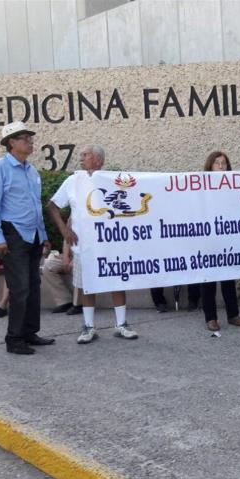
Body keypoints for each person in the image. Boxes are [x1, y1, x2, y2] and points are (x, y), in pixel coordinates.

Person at [47, 144, 138, 344]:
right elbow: (52, 206)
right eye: (81, 155)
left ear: (98, 160)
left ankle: (121, 324)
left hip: (111, 243)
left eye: (85, 155)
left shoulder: (113, 181)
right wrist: (65, 230)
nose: (81, 158)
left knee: (117, 282)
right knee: (87, 286)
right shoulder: (73, 181)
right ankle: (88, 327)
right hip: (84, 245)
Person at [0, 121, 55, 354]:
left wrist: (43, 236)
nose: (31, 142)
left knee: (33, 285)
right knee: (20, 287)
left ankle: (29, 332)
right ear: (12, 142)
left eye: (30, 138)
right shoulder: (0, 167)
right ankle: (14, 339)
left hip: (33, 234)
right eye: (25, 138)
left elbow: (36, 206)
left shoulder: (32, 171)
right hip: (12, 234)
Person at [198, 151, 240, 331]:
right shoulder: (200, 187)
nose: (221, 167)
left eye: (224, 163)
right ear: (209, 167)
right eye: (217, 163)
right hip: (207, 237)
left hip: (227, 236)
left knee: (229, 278)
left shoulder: (233, 187)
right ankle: (210, 318)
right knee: (208, 280)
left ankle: (233, 314)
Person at [41, 217, 83, 314]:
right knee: (48, 266)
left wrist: (74, 260)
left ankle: (78, 304)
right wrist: (65, 258)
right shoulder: (73, 215)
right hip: (71, 256)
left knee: (78, 266)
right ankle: (64, 301)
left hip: (84, 258)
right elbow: (67, 237)